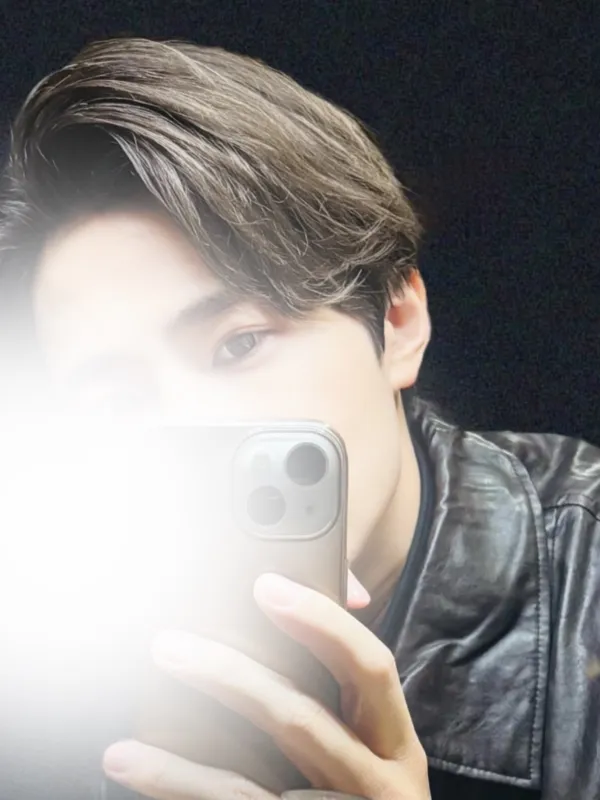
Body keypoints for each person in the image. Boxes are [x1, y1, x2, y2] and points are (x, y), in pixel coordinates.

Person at [0, 37, 598, 800]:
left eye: (239, 344)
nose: (189, 429)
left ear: (398, 321)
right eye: (116, 405)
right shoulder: (56, 651)